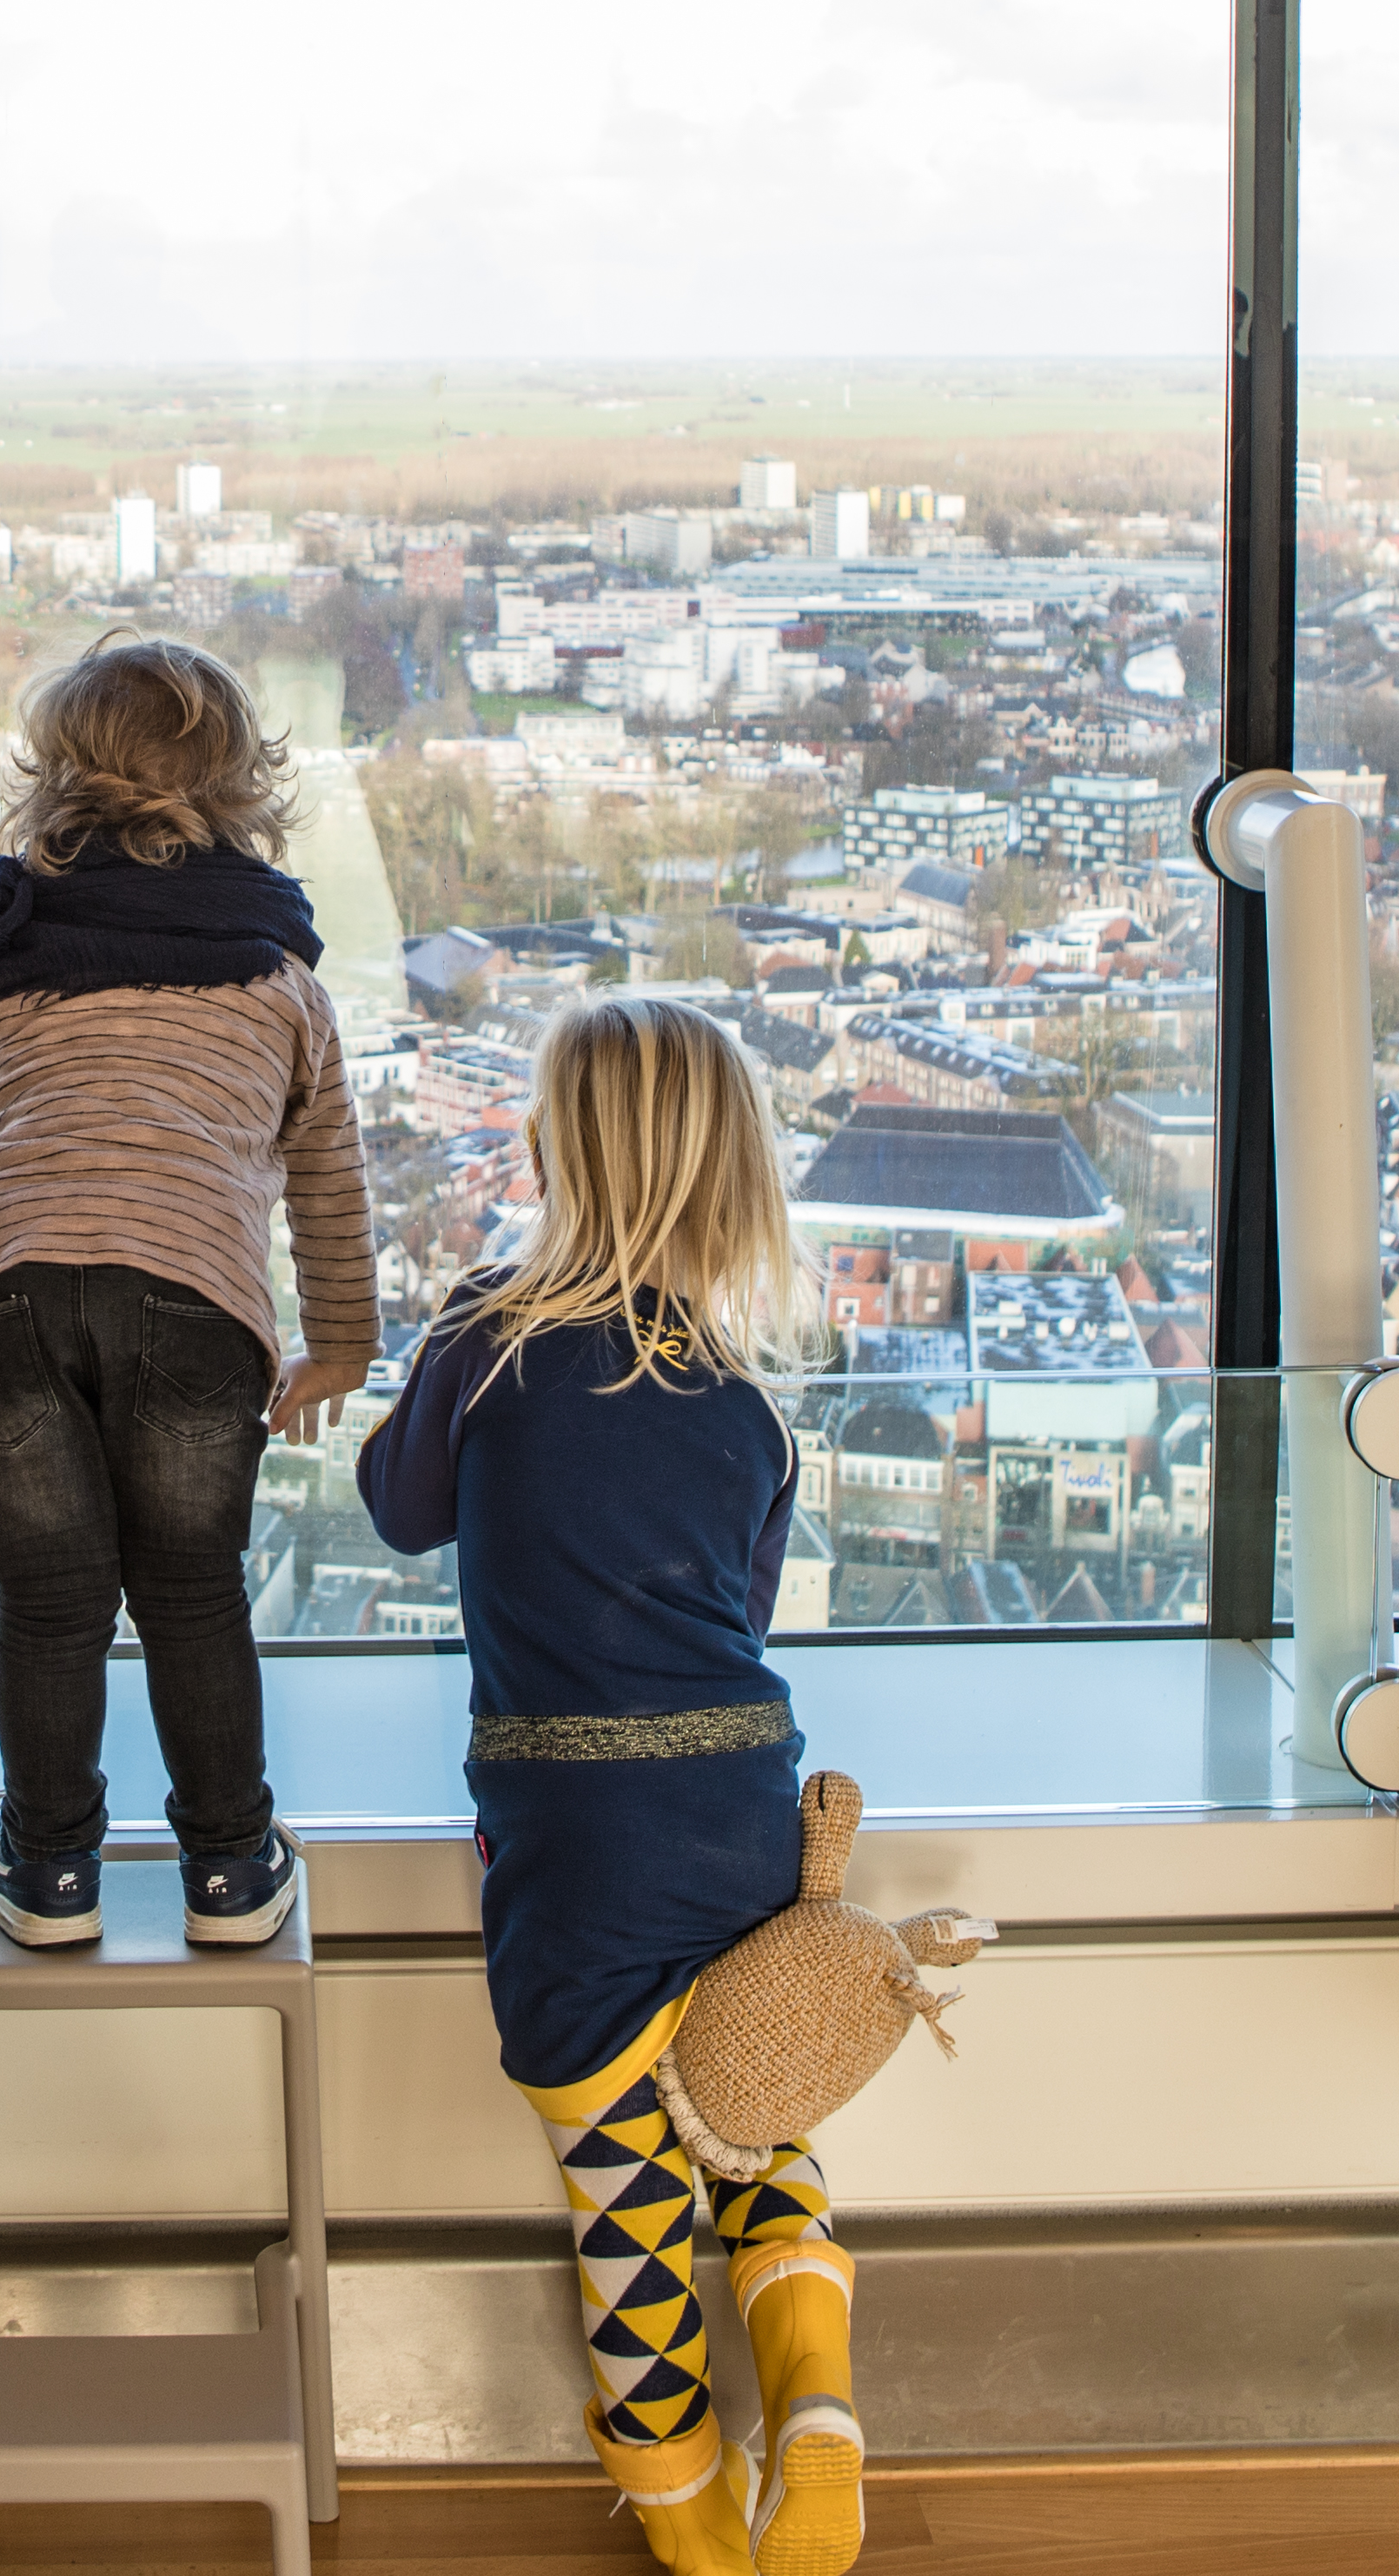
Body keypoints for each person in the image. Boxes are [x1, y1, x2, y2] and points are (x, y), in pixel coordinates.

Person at [357, 999, 856, 2576]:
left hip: (570, 1834)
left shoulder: (486, 1336)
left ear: (551, 1153)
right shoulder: (752, 1404)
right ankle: (824, 2426)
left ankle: (695, 2523)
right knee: (760, 2140)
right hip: (743, 1810)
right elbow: (736, 1626)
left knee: (628, 2201)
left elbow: (396, 1510)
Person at [0, 637, 374, 1951]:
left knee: (49, 1599)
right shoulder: (278, 978)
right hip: (193, 1298)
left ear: (53, 780)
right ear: (244, 786)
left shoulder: (0, 964)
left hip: (4, 1296)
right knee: (191, 1592)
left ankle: (51, 1871)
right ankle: (231, 1868)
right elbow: (325, 1180)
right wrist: (341, 1341)